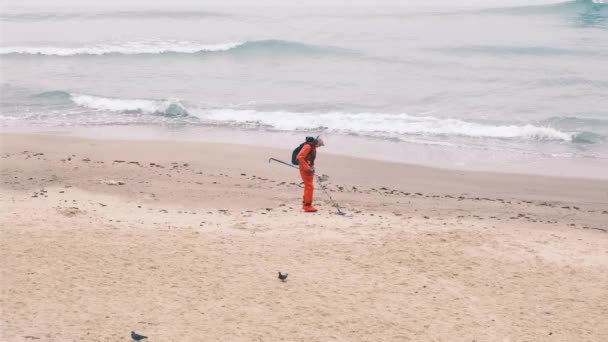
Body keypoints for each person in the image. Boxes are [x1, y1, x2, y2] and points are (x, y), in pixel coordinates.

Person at [296, 136, 324, 212]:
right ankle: (307, 206)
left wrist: (312, 168)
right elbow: (300, 157)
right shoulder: (308, 146)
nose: (319, 147)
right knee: (309, 187)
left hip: (309, 170)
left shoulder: (313, 147)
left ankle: (305, 204)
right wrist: (308, 168)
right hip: (305, 169)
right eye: (320, 145)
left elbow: (310, 159)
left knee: (308, 186)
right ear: (317, 142)